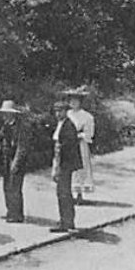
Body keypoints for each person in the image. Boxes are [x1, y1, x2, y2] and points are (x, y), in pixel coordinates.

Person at [0, 100, 32, 224]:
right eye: (4, 113)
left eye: (8, 113)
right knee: (6, 186)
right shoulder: (5, 126)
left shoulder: (22, 127)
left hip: (16, 159)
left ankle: (17, 215)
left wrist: (16, 163)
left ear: (13, 114)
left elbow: (22, 147)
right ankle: (10, 211)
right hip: (5, 159)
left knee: (15, 187)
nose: (5, 115)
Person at [50, 100, 83, 233]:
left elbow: (66, 148)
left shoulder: (68, 126)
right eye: (56, 111)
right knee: (62, 192)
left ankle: (67, 221)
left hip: (65, 164)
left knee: (63, 192)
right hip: (61, 162)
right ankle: (66, 220)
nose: (58, 114)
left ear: (65, 112)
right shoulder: (60, 124)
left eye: (61, 111)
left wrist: (57, 166)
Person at [65, 88, 96, 197]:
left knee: (80, 168)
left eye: (76, 100)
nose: (73, 103)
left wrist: (79, 136)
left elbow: (89, 133)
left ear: (80, 102)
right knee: (68, 168)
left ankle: (79, 194)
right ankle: (70, 193)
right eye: (71, 100)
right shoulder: (66, 114)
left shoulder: (86, 116)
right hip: (68, 145)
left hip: (80, 144)